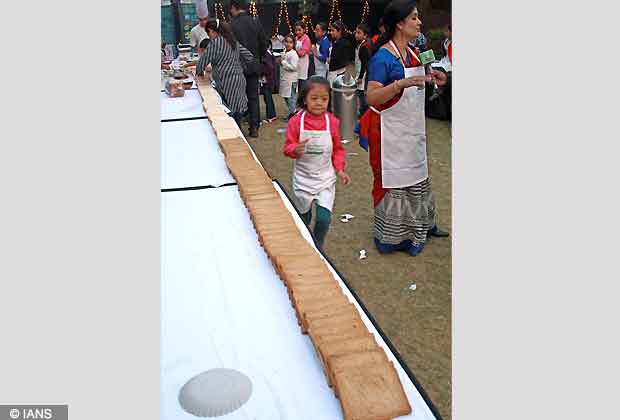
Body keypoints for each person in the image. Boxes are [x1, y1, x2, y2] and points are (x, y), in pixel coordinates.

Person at [358, 0, 449, 257]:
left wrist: (436, 79)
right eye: (414, 18)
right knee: (397, 182)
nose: (419, 23)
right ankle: (394, 238)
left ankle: (423, 226)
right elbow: (372, 97)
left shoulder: (412, 53)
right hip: (391, 135)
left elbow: (417, 82)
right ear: (400, 24)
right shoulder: (382, 58)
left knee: (418, 177)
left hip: (412, 132)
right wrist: (400, 85)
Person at [283, 76, 351, 249]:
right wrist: (294, 149)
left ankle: (318, 243)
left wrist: (340, 169)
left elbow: (337, 149)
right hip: (303, 178)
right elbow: (287, 147)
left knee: (323, 218)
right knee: (303, 216)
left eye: (324, 99)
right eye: (314, 98)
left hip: (325, 178)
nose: (319, 103)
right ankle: (303, 241)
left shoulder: (333, 123)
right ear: (304, 99)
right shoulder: (296, 122)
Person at [196, 19, 253, 127]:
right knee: (238, 108)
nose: (209, 36)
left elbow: (203, 60)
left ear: (212, 30)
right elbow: (249, 56)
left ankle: (234, 133)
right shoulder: (233, 41)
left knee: (228, 110)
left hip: (226, 81)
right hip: (239, 79)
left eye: (208, 32)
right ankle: (239, 130)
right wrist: (237, 65)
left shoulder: (215, 43)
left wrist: (199, 72)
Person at [229, 0, 268, 138]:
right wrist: (259, 58)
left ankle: (238, 126)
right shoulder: (255, 22)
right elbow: (264, 43)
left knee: (237, 97)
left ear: (234, 7)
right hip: (253, 65)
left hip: (237, 67)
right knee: (253, 97)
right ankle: (254, 127)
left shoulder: (231, 25)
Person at [278, 34, 299, 121]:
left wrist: (283, 62)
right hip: (285, 79)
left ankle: (294, 114)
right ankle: (292, 112)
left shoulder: (293, 54)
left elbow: (294, 67)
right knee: (286, 97)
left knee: (291, 98)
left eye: (290, 42)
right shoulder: (284, 51)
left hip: (291, 80)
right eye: (286, 42)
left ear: (294, 44)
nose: (288, 44)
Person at [327, 20, 355, 85]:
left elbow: (341, 59)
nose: (331, 32)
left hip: (338, 72)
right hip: (334, 71)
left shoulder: (343, 43)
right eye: (330, 30)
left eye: (333, 30)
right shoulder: (336, 42)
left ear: (339, 31)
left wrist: (330, 60)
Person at [354, 23, 372, 117]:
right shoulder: (360, 45)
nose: (356, 35)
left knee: (363, 98)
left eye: (359, 33)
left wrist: (361, 77)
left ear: (365, 35)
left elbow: (365, 64)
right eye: (356, 32)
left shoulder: (364, 47)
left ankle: (364, 116)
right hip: (360, 73)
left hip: (364, 76)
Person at [260, 43, 278, 124]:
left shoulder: (266, 54)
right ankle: (272, 115)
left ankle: (271, 116)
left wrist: (261, 70)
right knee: (268, 98)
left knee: (268, 98)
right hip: (269, 80)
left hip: (267, 80)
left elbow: (269, 67)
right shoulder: (269, 53)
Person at [294, 21, 312, 92]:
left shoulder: (306, 39)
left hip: (303, 63)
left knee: (302, 81)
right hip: (296, 63)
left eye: (299, 30)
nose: (297, 32)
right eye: (296, 30)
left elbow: (302, 53)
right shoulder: (296, 38)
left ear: (304, 30)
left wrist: (294, 51)